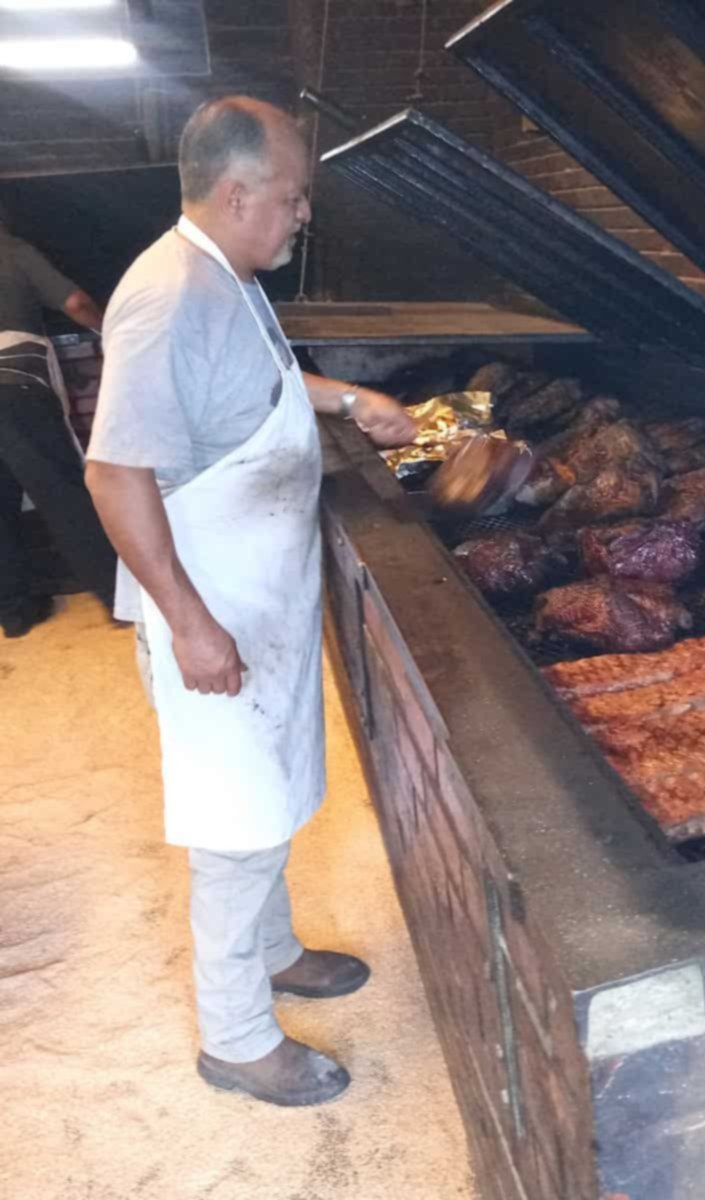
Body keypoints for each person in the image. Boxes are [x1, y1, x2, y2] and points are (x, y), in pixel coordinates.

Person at [84, 96, 417, 1107]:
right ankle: (234, 1040)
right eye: (291, 197)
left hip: (254, 603)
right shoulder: (170, 295)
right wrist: (188, 622)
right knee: (235, 824)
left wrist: (353, 400)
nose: (301, 215)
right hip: (212, 608)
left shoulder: (225, 279)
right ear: (236, 194)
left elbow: (267, 386)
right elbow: (113, 474)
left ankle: (274, 952)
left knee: (270, 795)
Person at [0, 209, 115, 637]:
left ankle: (15, 612)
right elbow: (74, 302)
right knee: (63, 491)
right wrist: (112, 331)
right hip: (15, 385)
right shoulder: (13, 251)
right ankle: (115, 596)